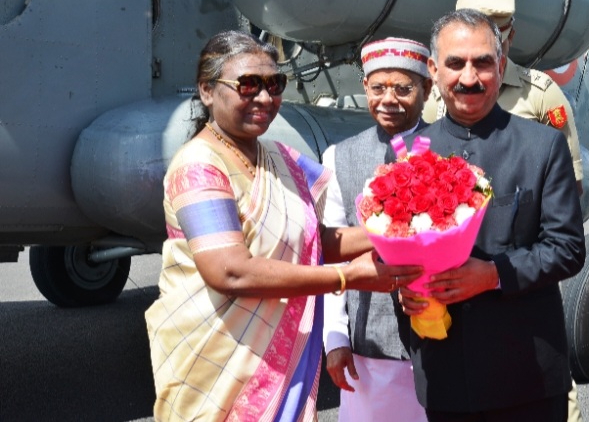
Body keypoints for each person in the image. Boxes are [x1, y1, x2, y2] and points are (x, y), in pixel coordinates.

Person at [144, 30, 422, 422]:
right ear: (207, 91)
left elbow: (315, 241)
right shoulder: (199, 167)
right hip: (216, 365)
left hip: (278, 360)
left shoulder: (281, 158)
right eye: (248, 85)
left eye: (274, 84)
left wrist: (392, 233)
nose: (264, 97)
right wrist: (348, 278)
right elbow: (230, 272)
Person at [400, 9, 585, 421]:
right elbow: (393, 248)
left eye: (483, 62)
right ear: (433, 69)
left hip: (526, 375)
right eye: (455, 63)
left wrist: (492, 274)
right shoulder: (410, 154)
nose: (470, 77)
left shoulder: (542, 147)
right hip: (444, 373)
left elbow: (568, 249)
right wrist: (403, 287)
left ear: (501, 66)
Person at [322, 37, 433, 422]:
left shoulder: (449, 148)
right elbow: (332, 251)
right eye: (377, 87)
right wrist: (335, 338)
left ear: (426, 89)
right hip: (370, 345)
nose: (389, 99)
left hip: (442, 341)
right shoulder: (339, 157)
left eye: (403, 88)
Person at [423, 0, 584, 195]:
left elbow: (570, 184)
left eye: (494, 45)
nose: (470, 78)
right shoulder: (439, 98)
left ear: (511, 36)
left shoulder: (540, 94)